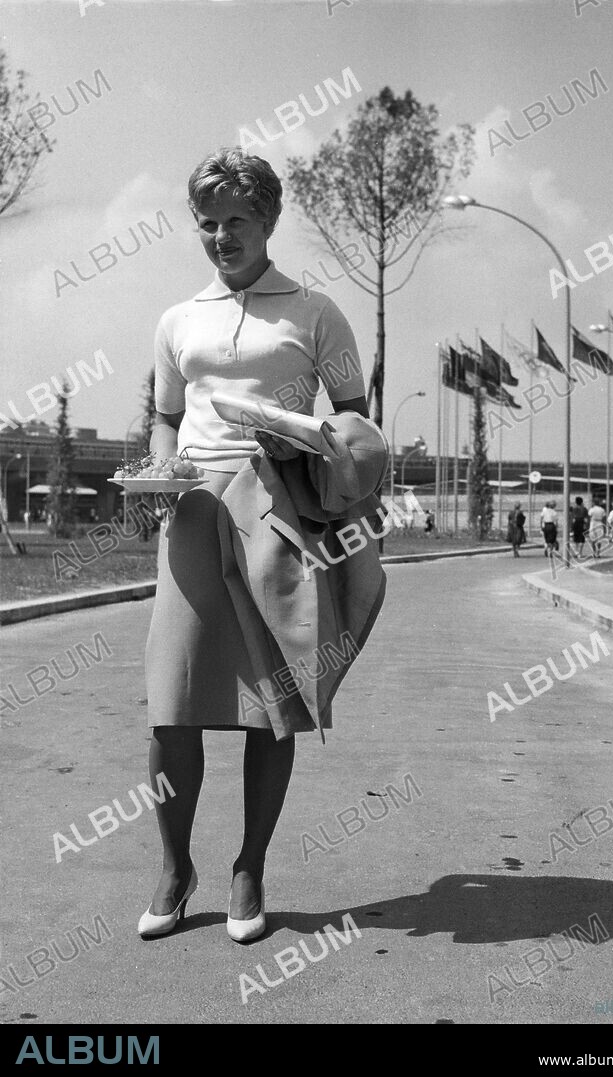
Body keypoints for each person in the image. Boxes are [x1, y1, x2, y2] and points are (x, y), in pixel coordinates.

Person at [139, 149, 386, 945]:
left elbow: (356, 425)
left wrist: (307, 441)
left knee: (266, 710)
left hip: (278, 512)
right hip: (191, 512)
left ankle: (250, 867)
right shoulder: (178, 320)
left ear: (269, 220)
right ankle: (175, 868)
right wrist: (160, 463)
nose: (221, 236)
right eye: (208, 223)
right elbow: (166, 418)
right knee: (171, 709)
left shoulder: (317, 313)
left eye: (236, 220)